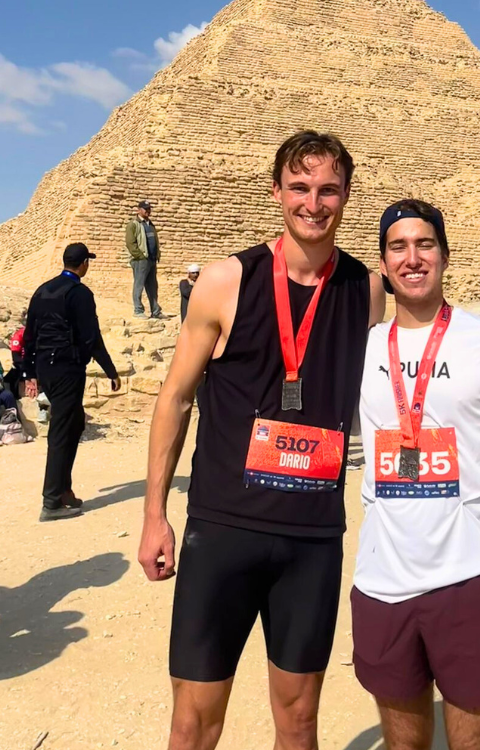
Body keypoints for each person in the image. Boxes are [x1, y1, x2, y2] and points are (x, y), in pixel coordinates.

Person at [138, 130, 386, 750]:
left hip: (311, 539)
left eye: (328, 189)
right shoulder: (227, 281)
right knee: (194, 723)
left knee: (300, 721)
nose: (313, 202)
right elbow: (175, 397)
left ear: (347, 196)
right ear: (276, 191)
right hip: (223, 529)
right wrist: (153, 515)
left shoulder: (367, 291)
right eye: (299, 187)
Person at [352, 199, 480, 750]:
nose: (412, 258)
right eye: (398, 247)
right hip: (380, 583)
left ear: (445, 255)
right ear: (384, 265)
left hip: (469, 580)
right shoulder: (361, 349)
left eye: (424, 245)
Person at [20, 242, 122, 521]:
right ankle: (51, 501)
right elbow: (91, 337)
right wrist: (111, 371)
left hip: (46, 368)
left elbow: (29, 336)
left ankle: (64, 489)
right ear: (83, 264)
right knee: (62, 430)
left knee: (75, 422)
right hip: (67, 369)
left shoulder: (42, 290)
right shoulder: (79, 293)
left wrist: (30, 373)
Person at [127, 200, 166, 318]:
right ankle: (138, 310)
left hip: (152, 260)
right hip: (141, 260)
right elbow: (130, 243)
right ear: (139, 210)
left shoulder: (150, 224)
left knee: (153, 286)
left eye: (149, 209)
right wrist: (140, 256)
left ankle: (155, 311)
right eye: (145, 209)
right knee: (139, 285)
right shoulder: (134, 224)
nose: (148, 211)